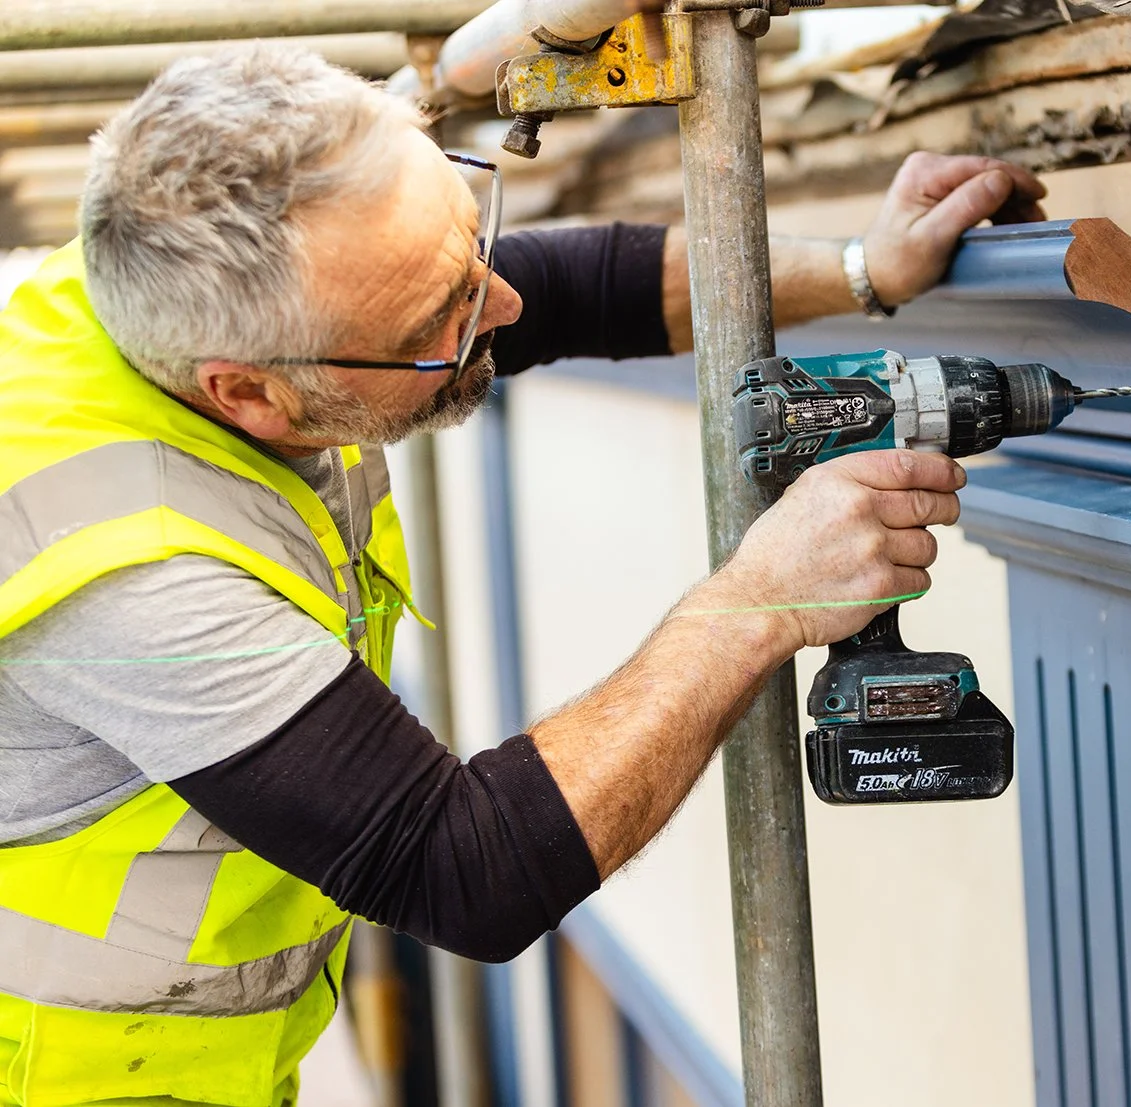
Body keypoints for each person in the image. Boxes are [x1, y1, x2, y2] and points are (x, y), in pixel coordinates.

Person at [0, 43, 1046, 1106]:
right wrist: (761, 602)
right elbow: (462, 869)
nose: (498, 302)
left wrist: (864, 268)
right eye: (441, 321)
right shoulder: (126, 574)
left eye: (470, 248)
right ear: (250, 396)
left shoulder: (175, 278)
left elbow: (554, 289)